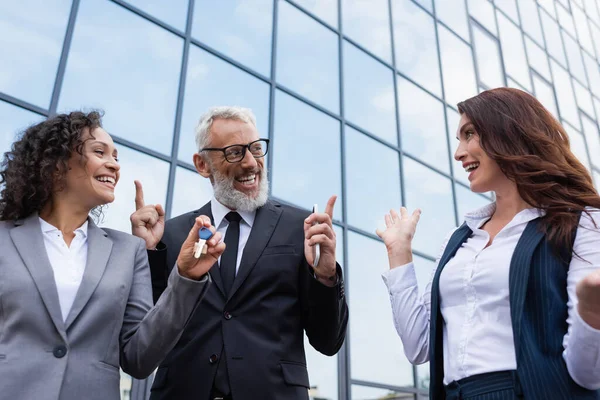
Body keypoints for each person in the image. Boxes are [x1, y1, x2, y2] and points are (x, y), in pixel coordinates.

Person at [377, 88, 600, 399]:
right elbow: (419, 347)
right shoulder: (459, 239)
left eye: (469, 134)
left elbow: (587, 374)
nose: (458, 152)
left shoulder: (581, 222)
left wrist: (592, 313)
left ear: (510, 132)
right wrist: (398, 252)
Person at [131, 106, 348, 400]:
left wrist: (325, 276)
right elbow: (145, 338)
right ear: (202, 164)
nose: (250, 163)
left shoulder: (303, 229)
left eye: (256, 149)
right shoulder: (170, 235)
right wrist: (149, 254)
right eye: (235, 152)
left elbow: (328, 341)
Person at [0, 111, 221, 400]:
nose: (114, 165)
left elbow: (139, 357)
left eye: (116, 156)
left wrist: (186, 277)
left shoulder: (128, 251)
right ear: (55, 165)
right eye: (99, 152)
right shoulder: (4, 238)